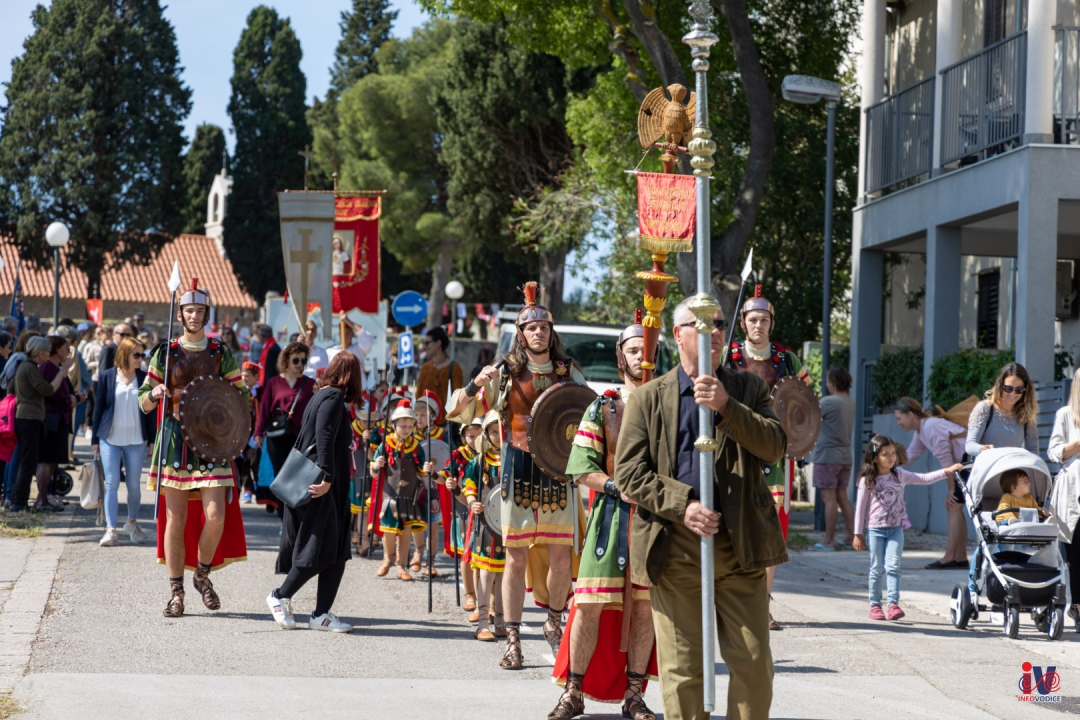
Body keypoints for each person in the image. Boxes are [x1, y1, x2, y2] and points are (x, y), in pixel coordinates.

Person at [615, 296, 785, 720]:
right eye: (702, 324)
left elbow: (775, 446)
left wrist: (727, 407)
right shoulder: (648, 398)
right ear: (678, 334)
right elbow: (629, 474)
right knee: (684, 670)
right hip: (674, 548)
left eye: (720, 324)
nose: (714, 333)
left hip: (740, 545)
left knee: (753, 664)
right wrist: (683, 505)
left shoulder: (749, 389)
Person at [447, 281, 587, 669]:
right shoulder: (504, 373)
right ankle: (512, 639)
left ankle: (554, 624)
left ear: (551, 332)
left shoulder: (568, 371)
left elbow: (587, 414)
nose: (538, 332)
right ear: (521, 334)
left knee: (561, 560)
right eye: (531, 327)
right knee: (515, 559)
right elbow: (458, 411)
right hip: (518, 471)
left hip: (559, 472)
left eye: (544, 327)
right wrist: (475, 383)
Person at [550, 315, 656, 720]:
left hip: (654, 522)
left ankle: (635, 695)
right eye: (633, 350)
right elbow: (580, 467)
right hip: (610, 518)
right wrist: (615, 487)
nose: (640, 356)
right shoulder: (603, 406)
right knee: (589, 604)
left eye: (646, 349)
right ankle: (574, 691)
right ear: (621, 357)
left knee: (645, 608)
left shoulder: (670, 404)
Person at [139, 278, 249, 617]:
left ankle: (202, 575)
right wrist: (155, 393)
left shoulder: (220, 353)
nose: (194, 316)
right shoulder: (166, 353)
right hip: (175, 440)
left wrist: (231, 418)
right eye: (189, 310)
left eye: (200, 311)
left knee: (215, 516)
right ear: (180, 314)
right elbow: (143, 401)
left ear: (206, 315)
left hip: (213, 441)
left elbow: (241, 396)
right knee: (176, 518)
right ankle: (176, 591)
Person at [723, 284, 810, 629]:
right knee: (728, 526)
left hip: (774, 454)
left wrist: (798, 439)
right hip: (731, 450)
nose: (757, 325)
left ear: (771, 323)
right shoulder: (727, 355)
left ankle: (762, 604)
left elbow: (805, 402)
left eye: (763, 319)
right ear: (743, 322)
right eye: (752, 319)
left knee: (770, 530)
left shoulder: (787, 359)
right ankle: (729, 602)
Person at [266, 351, 363, 633]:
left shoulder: (324, 395)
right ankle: (279, 596)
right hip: (322, 487)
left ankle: (321, 615)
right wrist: (328, 477)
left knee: (337, 551)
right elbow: (324, 437)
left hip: (331, 488)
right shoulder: (332, 397)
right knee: (319, 549)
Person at [852, 435, 962, 620]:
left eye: (893, 453)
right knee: (877, 568)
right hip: (875, 531)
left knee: (893, 567)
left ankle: (893, 605)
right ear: (875, 456)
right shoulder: (867, 480)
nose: (891, 457)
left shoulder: (900, 474)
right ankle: (875, 606)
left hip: (896, 530)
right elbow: (860, 508)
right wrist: (857, 534)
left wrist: (947, 471)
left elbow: (924, 478)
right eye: (886, 454)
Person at [92, 338, 155, 546]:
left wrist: (152, 439)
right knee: (111, 482)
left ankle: (132, 522)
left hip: (136, 439)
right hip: (110, 437)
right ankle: (111, 529)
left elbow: (150, 413)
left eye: (142, 355)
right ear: (124, 354)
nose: (140, 359)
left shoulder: (145, 378)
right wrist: (94, 438)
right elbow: (99, 408)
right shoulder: (107, 376)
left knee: (134, 485)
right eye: (136, 354)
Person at [893, 396, 968, 569]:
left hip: (969, 459)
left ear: (910, 415)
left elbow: (946, 460)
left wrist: (951, 489)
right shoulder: (921, 432)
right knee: (955, 506)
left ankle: (950, 557)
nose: (898, 422)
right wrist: (879, 450)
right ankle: (960, 557)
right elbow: (908, 458)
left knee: (954, 505)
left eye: (899, 418)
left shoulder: (930, 426)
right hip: (963, 462)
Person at [369, 399, 435, 580]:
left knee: (405, 533)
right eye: (403, 425)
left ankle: (401, 567)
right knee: (389, 530)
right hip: (389, 497)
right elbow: (373, 473)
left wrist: (429, 480)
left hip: (409, 497)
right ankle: (387, 559)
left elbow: (422, 473)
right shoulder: (385, 445)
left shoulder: (416, 447)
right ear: (394, 425)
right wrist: (376, 465)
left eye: (410, 426)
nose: (406, 429)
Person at [7, 336, 74, 512]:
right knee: (28, 462)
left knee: (26, 460)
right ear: (41, 352)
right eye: (47, 351)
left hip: (26, 416)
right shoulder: (29, 367)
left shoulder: (26, 366)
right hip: (29, 418)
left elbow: (11, 388)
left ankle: (17, 500)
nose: (48, 354)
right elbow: (48, 389)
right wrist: (62, 371)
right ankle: (19, 502)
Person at [254, 342, 316, 516]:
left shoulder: (310, 384)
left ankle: (296, 517)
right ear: (286, 359)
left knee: (297, 479)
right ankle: (284, 518)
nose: (299, 364)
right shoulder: (274, 382)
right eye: (296, 360)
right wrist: (258, 432)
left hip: (301, 438)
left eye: (303, 361)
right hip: (277, 437)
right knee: (281, 477)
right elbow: (264, 409)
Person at [462, 411, 506, 641]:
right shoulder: (479, 461)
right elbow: (469, 485)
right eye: (493, 432)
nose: (498, 436)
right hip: (486, 525)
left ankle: (501, 621)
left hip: (509, 525)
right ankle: (482, 624)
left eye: (501, 431)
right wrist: (472, 502)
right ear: (486, 434)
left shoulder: (514, 458)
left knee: (505, 575)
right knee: (486, 575)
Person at [809, 367, 856, 552]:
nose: (827, 384)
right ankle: (852, 537)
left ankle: (829, 540)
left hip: (827, 456)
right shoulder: (850, 402)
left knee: (828, 498)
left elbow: (808, 417)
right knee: (842, 497)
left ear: (834, 382)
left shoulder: (829, 401)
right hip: (845, 456)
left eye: (828, 381)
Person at [440, 417, 483, 616]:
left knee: (485, 555)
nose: (475, 440)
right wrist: (439, 477)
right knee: (467, 553)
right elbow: (444, 476)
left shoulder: (491, 454)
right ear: (464, 436)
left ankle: (488, 599)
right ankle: (470, 595)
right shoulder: (458, 455)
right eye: (471, 436)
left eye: (479, 435)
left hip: (487, 508)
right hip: (464, 508)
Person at [1047, 369, 1080, 627]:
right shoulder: (1065, 415)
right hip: (1074, 490)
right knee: (1076, 553)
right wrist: (1077, 444)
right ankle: (1078, 606)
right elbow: (1054, 452)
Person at [966, 362, 1039, 458]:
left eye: (1019, 390)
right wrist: (982, 449)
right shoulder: (985, 409)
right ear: (1000, 386)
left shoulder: (1026, 415)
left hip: (1013, 466)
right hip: (988, 465)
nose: (1013, 394)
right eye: (1008, 389)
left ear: (1025, 391)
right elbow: (970, 445)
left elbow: (1033, 451)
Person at [38, 336, 76, 506]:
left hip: (59, 419)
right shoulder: (49, 367)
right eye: (65, 348)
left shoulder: (56, 367)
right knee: (47, 460)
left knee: (53, 461)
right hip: (52, 420)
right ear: (57, 349)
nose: (67, 351)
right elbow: (54, 393)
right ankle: (42, 498)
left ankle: (45, 498)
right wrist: (70, 400)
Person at [416, 327, 463, 410]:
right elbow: (418, 397)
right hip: (427, 417)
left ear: (438, 343)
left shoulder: (454, 368)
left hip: (447, 417)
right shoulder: (424, 368)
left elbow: (458, 399)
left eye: (427, 343)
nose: (425, 346)